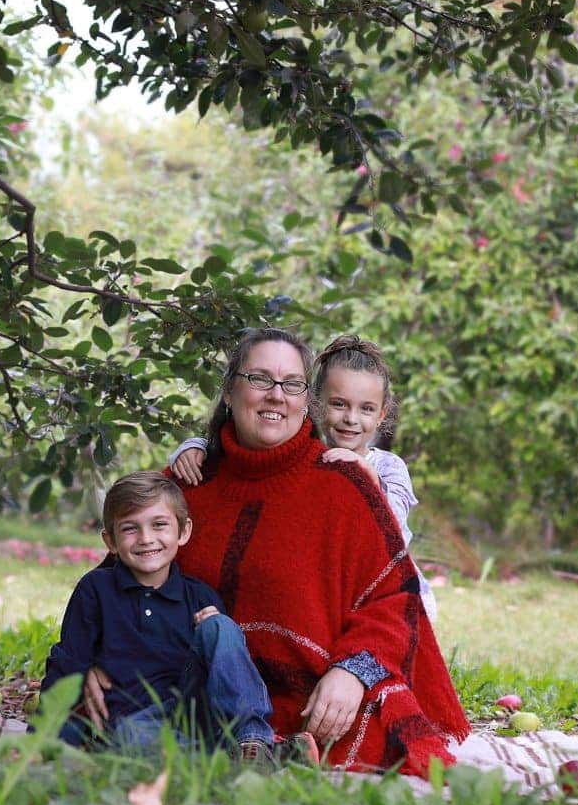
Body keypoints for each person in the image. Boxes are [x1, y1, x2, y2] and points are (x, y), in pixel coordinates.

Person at [94, 327, 467, 777]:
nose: (276, 396)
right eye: (260, 380)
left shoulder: (344, 485)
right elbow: (111, 585)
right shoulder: (183, 487)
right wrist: (94, 661)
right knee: (120, 733)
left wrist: (354, 672)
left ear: (305, 399)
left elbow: (395, 597)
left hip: (311, 708)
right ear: (230, 390)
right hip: (180, 692)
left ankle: (258, 750)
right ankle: (232, 755)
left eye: (292, 384)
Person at [41, 471, 318, 764]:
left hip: (199, 714)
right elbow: (68, 664)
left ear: (183, 532)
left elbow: (226, 672)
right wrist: (46, 739)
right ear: (110, 541)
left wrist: (216, 630)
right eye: (130, 529)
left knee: (220, 627)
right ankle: (254, 760)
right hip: (138, 722)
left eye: (159, 525)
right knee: (128, 740)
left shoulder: (200, 596)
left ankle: (252, 740)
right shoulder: (95, 589)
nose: (146, 539)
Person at [167, 334, 437, 620]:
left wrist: (367, 480)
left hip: (392, 595)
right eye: (339, 404)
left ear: (382, 414)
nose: (351, 418)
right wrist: (194, 446)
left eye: (366, 408)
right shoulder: (305, 451)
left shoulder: (388, 467)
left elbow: (391, 535)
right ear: (315, 403)